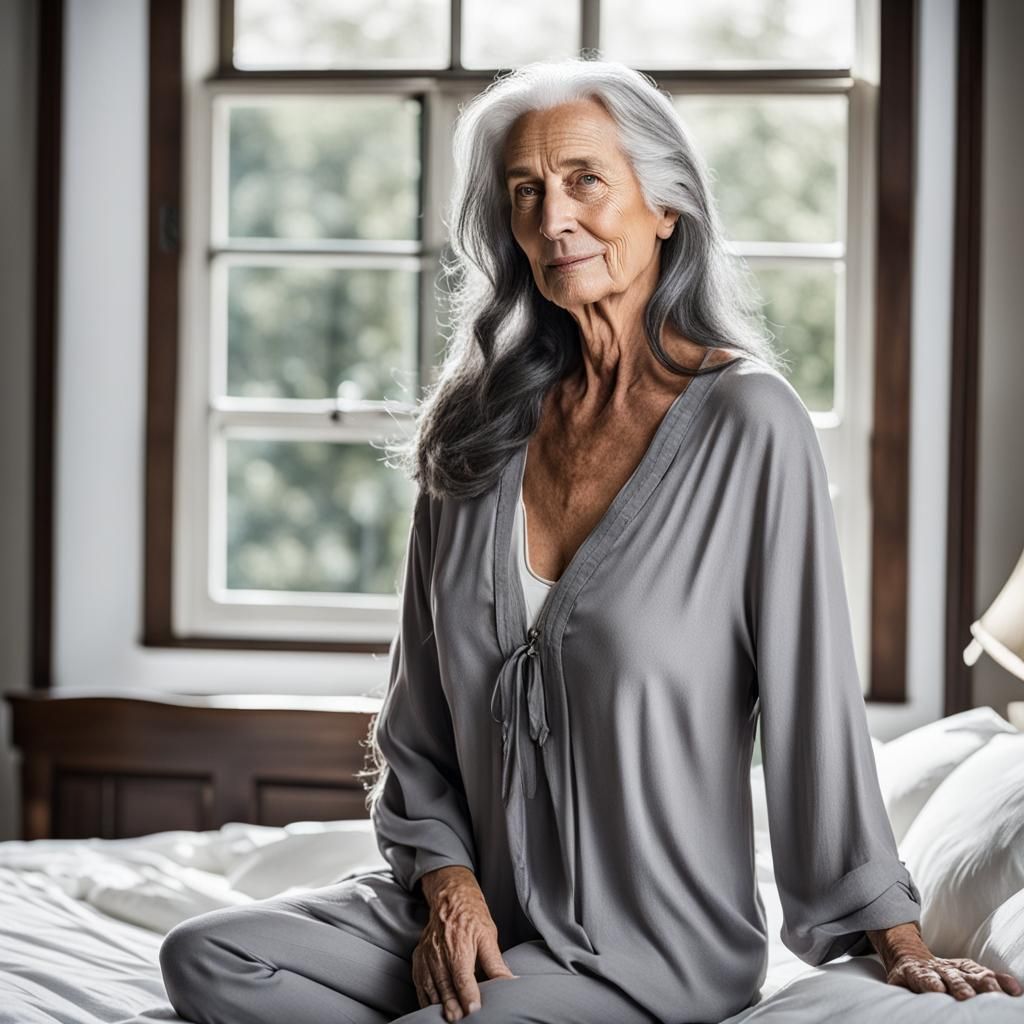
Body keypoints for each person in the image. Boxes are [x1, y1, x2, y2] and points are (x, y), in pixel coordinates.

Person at [158, 57, 1023, 1024]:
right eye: (525, 191)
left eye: (585, 179)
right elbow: (417, 720)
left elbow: (812, 704)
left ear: (667, 206)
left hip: (646, 944)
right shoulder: (474, 424)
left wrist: (897, 940)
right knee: (207, 958)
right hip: (475, 906)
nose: (553, 217)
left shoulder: (749, 425)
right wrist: (448, 886)